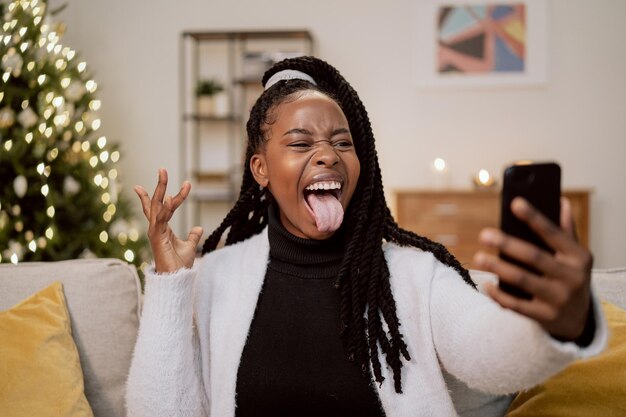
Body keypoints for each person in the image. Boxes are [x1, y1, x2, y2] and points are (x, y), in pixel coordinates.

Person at [126, 56, 607, 417]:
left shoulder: (414, 274)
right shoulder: (215, 278)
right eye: (300, 143)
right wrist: (171, 286)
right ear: (261, 169)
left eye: (342, 142)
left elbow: (490, 354)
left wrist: (561, 323)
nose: (328, 155)